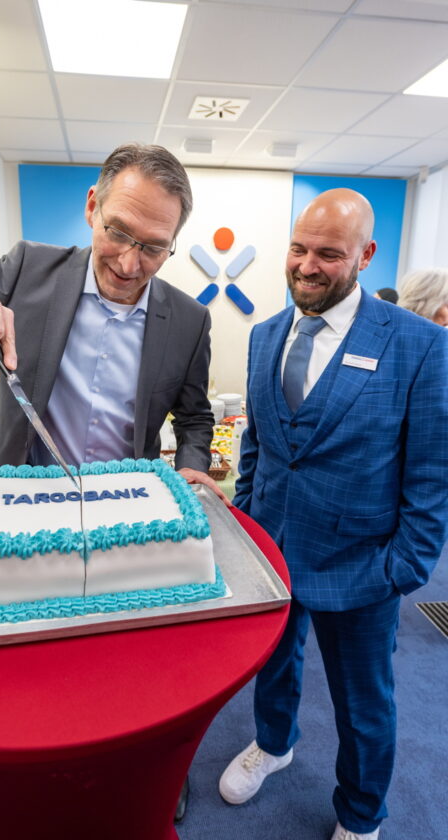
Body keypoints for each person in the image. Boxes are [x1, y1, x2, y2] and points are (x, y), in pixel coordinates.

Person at [218, 188, 448, 840]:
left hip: (365, 565)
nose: (307, 265)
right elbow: (261, 444)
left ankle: (361, 814)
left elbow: (432, 473)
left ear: (366, 256)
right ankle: (273, 743)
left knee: (364, 704)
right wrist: (244, 522)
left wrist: (404, 567)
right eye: (298, 248)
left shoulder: (420, 346)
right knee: (274, 666)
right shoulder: (264, 335)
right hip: (274, 549)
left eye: (329, 253)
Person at [0, 143, 227, 506]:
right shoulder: (27, 270)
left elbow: (194, 417)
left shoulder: (188, 320)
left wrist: (192, 465)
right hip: (17, 495)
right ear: (92, 206)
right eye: (118, 233)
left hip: (126, 504)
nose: (129, 265)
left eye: (154, 248)